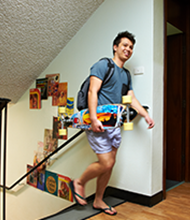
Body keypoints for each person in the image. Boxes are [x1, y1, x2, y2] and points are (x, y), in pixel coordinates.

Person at [70, 31, 155, 216]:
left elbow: (130, 98)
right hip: (98, 122)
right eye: (125, 45)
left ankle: (99, 200)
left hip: (114, 124)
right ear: (115, 47)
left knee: (111, 163)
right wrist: (93, 118)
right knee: (106, 163)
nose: (128, 49)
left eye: (131, 47)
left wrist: (145, 115)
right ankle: (79, 182)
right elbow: (93, 92)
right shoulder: (103, 65)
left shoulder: (125, 74)